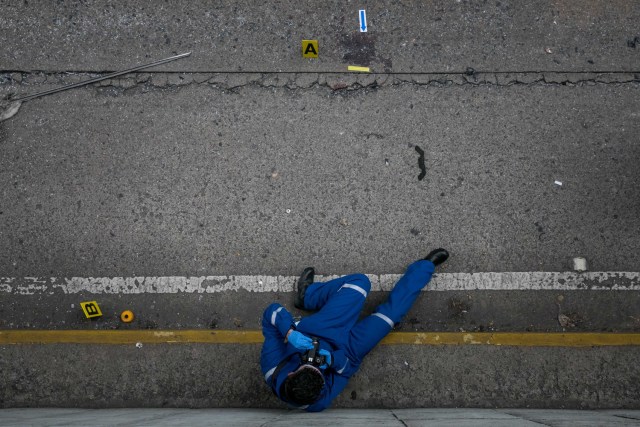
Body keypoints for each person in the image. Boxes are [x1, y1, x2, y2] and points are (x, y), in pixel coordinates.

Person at [260, 248, 449, 411]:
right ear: (322, 384)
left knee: (359, 284)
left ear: (292, 373)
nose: (315, 362)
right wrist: (333, 360)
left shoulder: (272, 366)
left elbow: (271, 314)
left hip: (318, 331)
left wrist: (290, 333)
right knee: (390, 317)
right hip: (348, 350)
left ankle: (307, 296)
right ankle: (425, 267)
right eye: (318, 369)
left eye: (309, 364)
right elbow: (346, 371)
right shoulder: (318, 401)